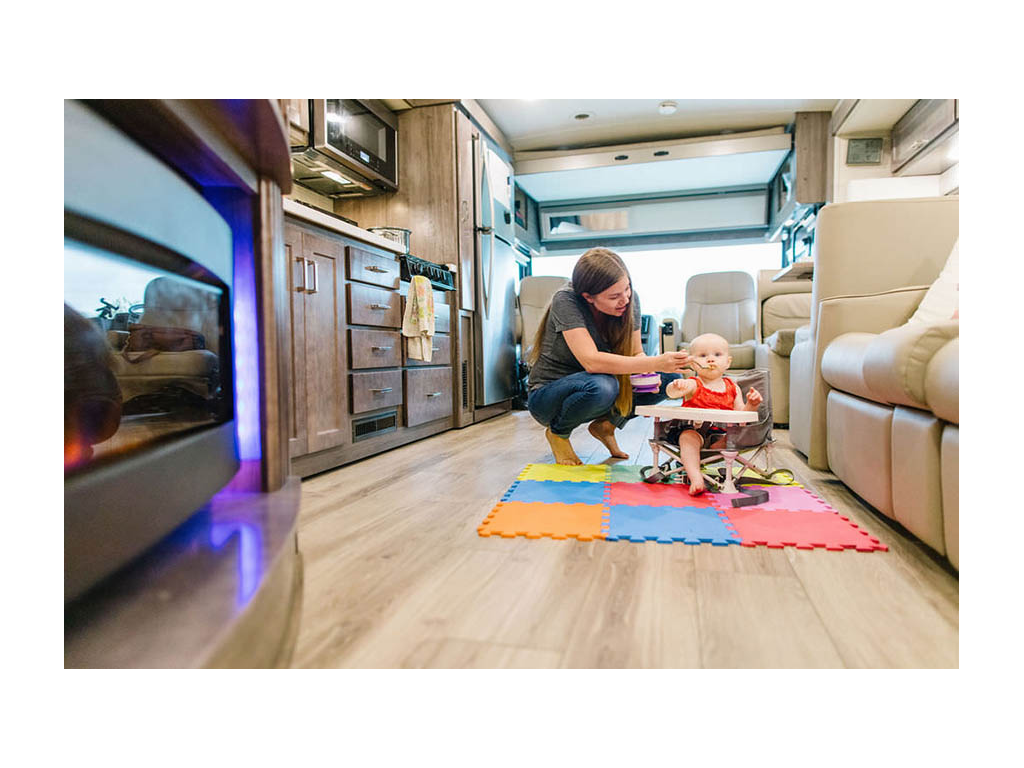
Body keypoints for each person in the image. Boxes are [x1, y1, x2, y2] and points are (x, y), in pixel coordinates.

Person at [526, 247, 693, 465]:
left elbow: (636, 353)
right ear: (588, 297)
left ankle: (607, 425)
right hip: (549, 397)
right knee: (604, 385)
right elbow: (591, 361)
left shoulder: (629, 302)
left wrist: (653, 370)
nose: (624, 299)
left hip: (598, 388)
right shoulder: (565, 300)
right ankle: (558, 433)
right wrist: (655, 360)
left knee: (670, 380)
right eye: (614, 296)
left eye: (627, 289)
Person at [664, 332, 763, 495]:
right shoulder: (693, 384)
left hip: (721, 436)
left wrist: (752, 405)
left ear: (727, 362)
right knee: (688, 437)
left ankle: (710, 454)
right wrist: (676, 386)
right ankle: (696, 478)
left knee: (735, 437)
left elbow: (742, 416)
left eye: (717, 354)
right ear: (694, 364)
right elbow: (671, 394)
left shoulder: (733, 388)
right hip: (695, 432)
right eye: (703, 355)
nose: (710, 359)